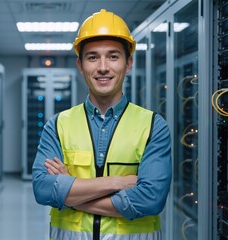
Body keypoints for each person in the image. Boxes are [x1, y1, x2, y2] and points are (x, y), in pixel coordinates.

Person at [32, 9, 172, 240]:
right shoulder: (57, 125)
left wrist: (71, 193)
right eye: (93, 57)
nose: (103, 67)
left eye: (113, 56)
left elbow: (150, 200)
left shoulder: (153, 125)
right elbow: (43, 189)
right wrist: (117, 182)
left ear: (128, 64)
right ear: (80, 65)